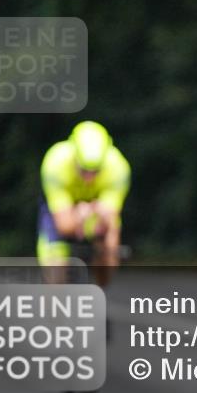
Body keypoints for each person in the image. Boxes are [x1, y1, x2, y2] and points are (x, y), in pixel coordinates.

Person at [38, 120, 130, 287]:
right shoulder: (55, 163)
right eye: (83, 170)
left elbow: (110, 219)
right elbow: (64, 225)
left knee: (109, 256)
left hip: (96, 212)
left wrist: (97, 226)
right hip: (62, 211)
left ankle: (99, 286)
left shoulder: (118, 168)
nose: (89, 178)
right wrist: (78, 217)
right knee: (55, 271)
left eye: (95, 171)